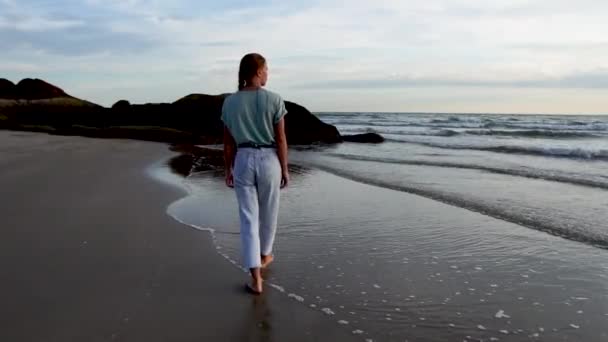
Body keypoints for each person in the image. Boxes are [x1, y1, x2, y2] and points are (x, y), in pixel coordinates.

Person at [221, 53, 289, 295]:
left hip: (243, 159)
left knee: (248, 218)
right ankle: (265, 255)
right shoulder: (274, 99)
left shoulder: (229, 102)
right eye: (267, 69)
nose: (268, 73)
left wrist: (228, 169)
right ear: (259, 71)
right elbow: (280, 138)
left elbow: (228, 144)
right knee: (269, 213)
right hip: (269, 159)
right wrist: (285, 168)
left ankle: (256, 279)